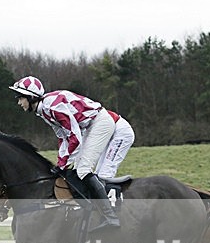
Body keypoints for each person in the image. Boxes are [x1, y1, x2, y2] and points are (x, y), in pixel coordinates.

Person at [9, 76, 134, 231]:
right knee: (79, 169)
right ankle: (92, 209)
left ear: (31, 96)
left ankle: (110, 217)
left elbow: (74, 136)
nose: (19, 102)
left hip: (102, 123)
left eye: (20, 98)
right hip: (92, 125)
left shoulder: (52, 107)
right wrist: (61, 162)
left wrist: (63, 163)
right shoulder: (44, 110)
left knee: (85, 170)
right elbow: (63, 137)